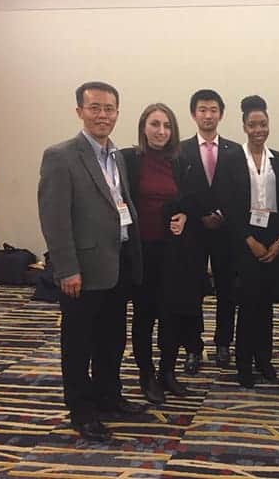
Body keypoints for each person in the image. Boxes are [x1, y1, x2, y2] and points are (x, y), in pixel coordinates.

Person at [38, 81, 145, 442]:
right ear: (80, 111)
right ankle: (81, 411)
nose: (103, 114)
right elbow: (54, 219)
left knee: (112, 339)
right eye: (95, 107)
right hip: (82, 270)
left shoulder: (117, 155)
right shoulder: (61, 155)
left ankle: (108, 396)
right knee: (78, 343)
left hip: (117, 263)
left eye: (110, 108)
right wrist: (66, 268)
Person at [121, 103, 204, 404]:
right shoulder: (129, 160)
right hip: (142, 251)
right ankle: (146, 374)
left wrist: (184, 215)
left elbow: (192, 201)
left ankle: (168, 372)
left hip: (173, 251)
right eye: (155, 124)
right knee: (144, 315)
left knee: (172, 315)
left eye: (167, 126)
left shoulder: (179, 162)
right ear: (143, 127)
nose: (161, 131)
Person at [226, 95, 279, 388]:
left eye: (263, 124)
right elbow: (228, 205)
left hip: (272, 240)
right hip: (245, 240)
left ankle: (264, 359)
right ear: (244, 126)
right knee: (248, 304)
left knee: (266, 304)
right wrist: (248, 239)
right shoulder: (232, 159)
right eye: (252, 124)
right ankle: (244, 365)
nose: (258, 129)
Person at [180, 89, 242, 372]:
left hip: (225, 229)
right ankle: (193, 347)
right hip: (193, 230)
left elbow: (240, 191)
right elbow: (178, 193)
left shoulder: (234, 150)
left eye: (213, 109)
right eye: (202, 109)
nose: (208, 115)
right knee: (191, 288)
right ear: (194, 114)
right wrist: (200, 216)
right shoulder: (180, 151)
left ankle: (223, 343)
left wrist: (221, 214)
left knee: (227, 288)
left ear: (221, 114)